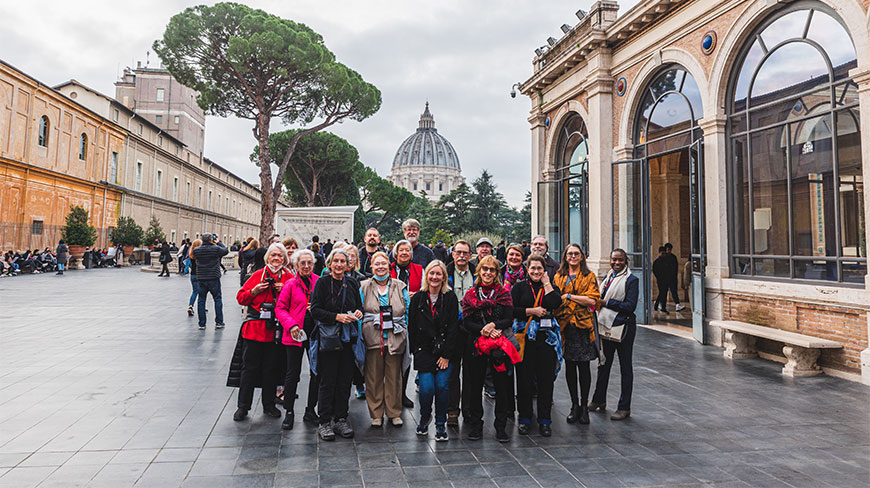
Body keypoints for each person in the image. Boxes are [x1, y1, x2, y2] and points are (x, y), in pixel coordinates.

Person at [233, 243, 292, 422]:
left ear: (284, 259)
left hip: (276, 330)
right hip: (255, 329)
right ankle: (243, 406)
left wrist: (285, 291)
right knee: (249, 370)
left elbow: (298, 301)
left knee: (271, 370)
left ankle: (269, 404)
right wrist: (254, 290)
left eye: (279, 256)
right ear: (267, 258)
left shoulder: (289, 277)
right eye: (273, 255)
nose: (276, 259)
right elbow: (240, 298)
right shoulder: (258, 275)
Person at [309, 248, 363, 441]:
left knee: (344, 380)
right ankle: (324, 421)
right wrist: (336, 317)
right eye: (336, 261)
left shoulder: (352, 283)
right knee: (327, 380)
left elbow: (359, 305)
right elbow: (314, 310)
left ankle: (341, 418)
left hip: (348, 339)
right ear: (329, 264)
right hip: (329, 338)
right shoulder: (322, 283)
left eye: (343, 261)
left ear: (348, 265)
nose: (339, 265)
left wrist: (358, 313)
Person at [461, 255, 515, 442]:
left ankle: (501, 427)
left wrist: (492, 326)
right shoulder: (471, 294)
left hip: (498, 345)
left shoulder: (504, 293)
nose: (488, 273)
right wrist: (484, 330)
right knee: (475, 386)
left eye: (492, 270)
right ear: (479, 271)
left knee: (501, 386)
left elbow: (509, 318)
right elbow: (466, 321)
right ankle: (476, 424)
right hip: (476, 346)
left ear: (497, 273)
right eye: (485, 269)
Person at [512, 253, 562, 436]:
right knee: (524, 380)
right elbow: (512, 310)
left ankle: (544, 420)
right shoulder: (519, 288)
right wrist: (531, 311)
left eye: (539, 268)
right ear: (527, 269)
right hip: (525, 340)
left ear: (545, 270)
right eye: (532, 268)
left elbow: (555, 303)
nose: (536, 271)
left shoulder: (550, 287)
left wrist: (547, 282)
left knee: (545, 381)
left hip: (546, 340)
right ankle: (524, 418)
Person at [409, 260, 459, 442]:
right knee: (427, 388)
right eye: (431, 273)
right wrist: (417, 351)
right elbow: (412, 327)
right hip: (424, 351)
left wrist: (446, 355)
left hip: (445, 351)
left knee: (443, 386)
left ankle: (440, 424)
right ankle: (424, 417)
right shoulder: (418, 298)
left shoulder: (450, 298)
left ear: (444, 277)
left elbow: (454, 328)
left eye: (438, 274)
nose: (434, 277)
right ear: (426, 276)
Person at [359, 252, 409, 427]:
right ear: (371, 266)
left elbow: (407, 310)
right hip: (372, 338)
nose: (380, 267)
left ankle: (394, 412)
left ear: (389, 265)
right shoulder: (363, 286)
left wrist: (404, 331)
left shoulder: (399, 285)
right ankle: (376, 414)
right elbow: (360, 313)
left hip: (396, 337)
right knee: (373, 377)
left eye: (384, 263)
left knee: (395, 376)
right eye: (377, 264)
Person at [553, 244, 601, 425]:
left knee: (584, 368)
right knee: (570, 368)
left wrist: (569, 297)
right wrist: (575, 299)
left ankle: (583, 406)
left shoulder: (589, 276)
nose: (573, 257)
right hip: (565, 327)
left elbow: (592, 300)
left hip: (583, 328)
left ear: (582, 257)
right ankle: (574, 405)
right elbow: (555, 300)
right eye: (570, 254)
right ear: (565, 257)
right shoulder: (559, 276)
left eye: (576, 254)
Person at [589, 249, 639, 421]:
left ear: (626, 261)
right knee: (603, 364)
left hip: (623, 328)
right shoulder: (609, 276)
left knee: (626, 367)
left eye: (621, 260)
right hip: (606, 326)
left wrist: (606, 303)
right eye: (614, 259)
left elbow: (630, 306)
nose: (617, 263)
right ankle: (598, 400)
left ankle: (624, 407)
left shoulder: (632, 280)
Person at [275, 248, 319, 430]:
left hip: (316, 333)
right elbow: (280, 308)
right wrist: (291, 325)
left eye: (309, 263)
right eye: (303, 263)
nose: (306, 266)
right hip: (295, 333)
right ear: (296, 265)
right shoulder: (290, 284)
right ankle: (289, 411)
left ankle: (310, 409)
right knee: (292, 373)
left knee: (316, 372)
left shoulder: (319, 282)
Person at [390, 239, 423, 408]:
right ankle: (391, 394)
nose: (404, 253)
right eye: (401, 250)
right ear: (395, 254)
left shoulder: (419, 270)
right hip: (392, 318)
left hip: (412, 318)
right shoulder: (387, 269)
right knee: (391, 357)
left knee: (406, 357)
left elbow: (425, 291)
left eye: (407, 250)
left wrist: (415, 295)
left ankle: (402, 393)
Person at [445, 240, 475, 426]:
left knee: (471, 373)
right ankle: (452, 412)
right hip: (452, 329)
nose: (462, 256)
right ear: (453, 254)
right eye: (459, 252)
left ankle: (469, 411)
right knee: (452, 373)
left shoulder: (478, 273)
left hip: (472, 329)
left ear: (470, 255)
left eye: (465, 253)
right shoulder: (445, 273)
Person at [193, 234, 228, 330]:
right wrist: (218, 242)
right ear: (211, 239)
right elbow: (225, 250)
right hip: (213, 277)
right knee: (217, 299)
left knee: (201, 300)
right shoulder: (216, 249)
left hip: (201, 277)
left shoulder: (197, 250)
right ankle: (219, 322)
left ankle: (202, 324)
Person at [663, 243, 683, 311]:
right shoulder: (664, 257)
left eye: (670, 250)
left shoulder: (673, 257)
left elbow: (676, 268)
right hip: (666, 278)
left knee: (674, 291)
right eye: (668, 249)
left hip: (672, 278)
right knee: (663, 292)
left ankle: (677, 304)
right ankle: (660, 303)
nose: (669, 251)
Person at [186, 239, 202, 317]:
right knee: (201, 292)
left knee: (194, 291)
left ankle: (190, 306)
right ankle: (201, 307)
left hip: (192, 275)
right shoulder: (201, 254)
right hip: (200, 275)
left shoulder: (191, 254)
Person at [652, 246, 670, 314]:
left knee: (663, 292)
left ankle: (658, 305)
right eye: (662, 253)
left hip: (666, 279)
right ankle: (662, 307)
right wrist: (659, 277)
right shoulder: (657, 261)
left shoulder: (666, 260)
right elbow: (655, 270)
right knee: (662, 292)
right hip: (660, 280)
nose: (663, 255)